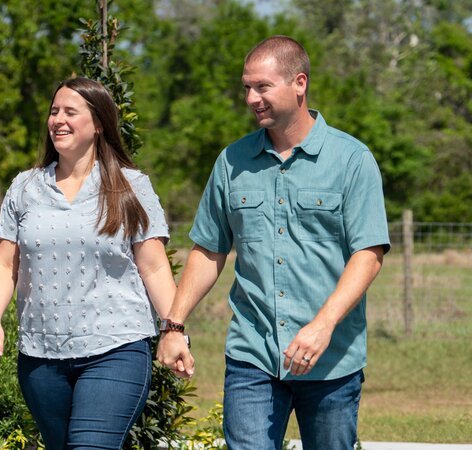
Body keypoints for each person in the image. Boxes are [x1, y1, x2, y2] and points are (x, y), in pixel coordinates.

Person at [156, 35, 390, 450]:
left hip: (331, 360)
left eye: (262, 86)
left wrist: (322, 326)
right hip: (253, 355)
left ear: (299, 83)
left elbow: (368, 254)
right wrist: (174, 325)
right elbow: (209, 249)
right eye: (247, 87)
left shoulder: (352, 160)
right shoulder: (232, 162)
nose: (251, 98)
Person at [0, 76, 176, 450]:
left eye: (70, 111)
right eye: (54, 112)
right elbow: (6, 264)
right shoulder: (25, 187)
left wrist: (174, 328)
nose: (58, 120)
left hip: (116, 346)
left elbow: (154, 267)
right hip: (41, 355)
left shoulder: (130, 186)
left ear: (98, 123)